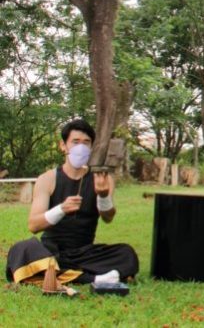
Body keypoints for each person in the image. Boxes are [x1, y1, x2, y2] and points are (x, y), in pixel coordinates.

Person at [5, 119, 139, 287]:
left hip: (84, 253)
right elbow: (34, 225)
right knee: (22, 249)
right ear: (63, 146)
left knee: (127, 254)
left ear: (91, 147)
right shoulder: (47, 179)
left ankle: (58, 275)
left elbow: (108, 218)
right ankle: (95, 279)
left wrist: (103, 197)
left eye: (86, 142)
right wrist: (61, 209)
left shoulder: (102, 179)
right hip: (50, 251)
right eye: (75, 142)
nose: (81, 147)